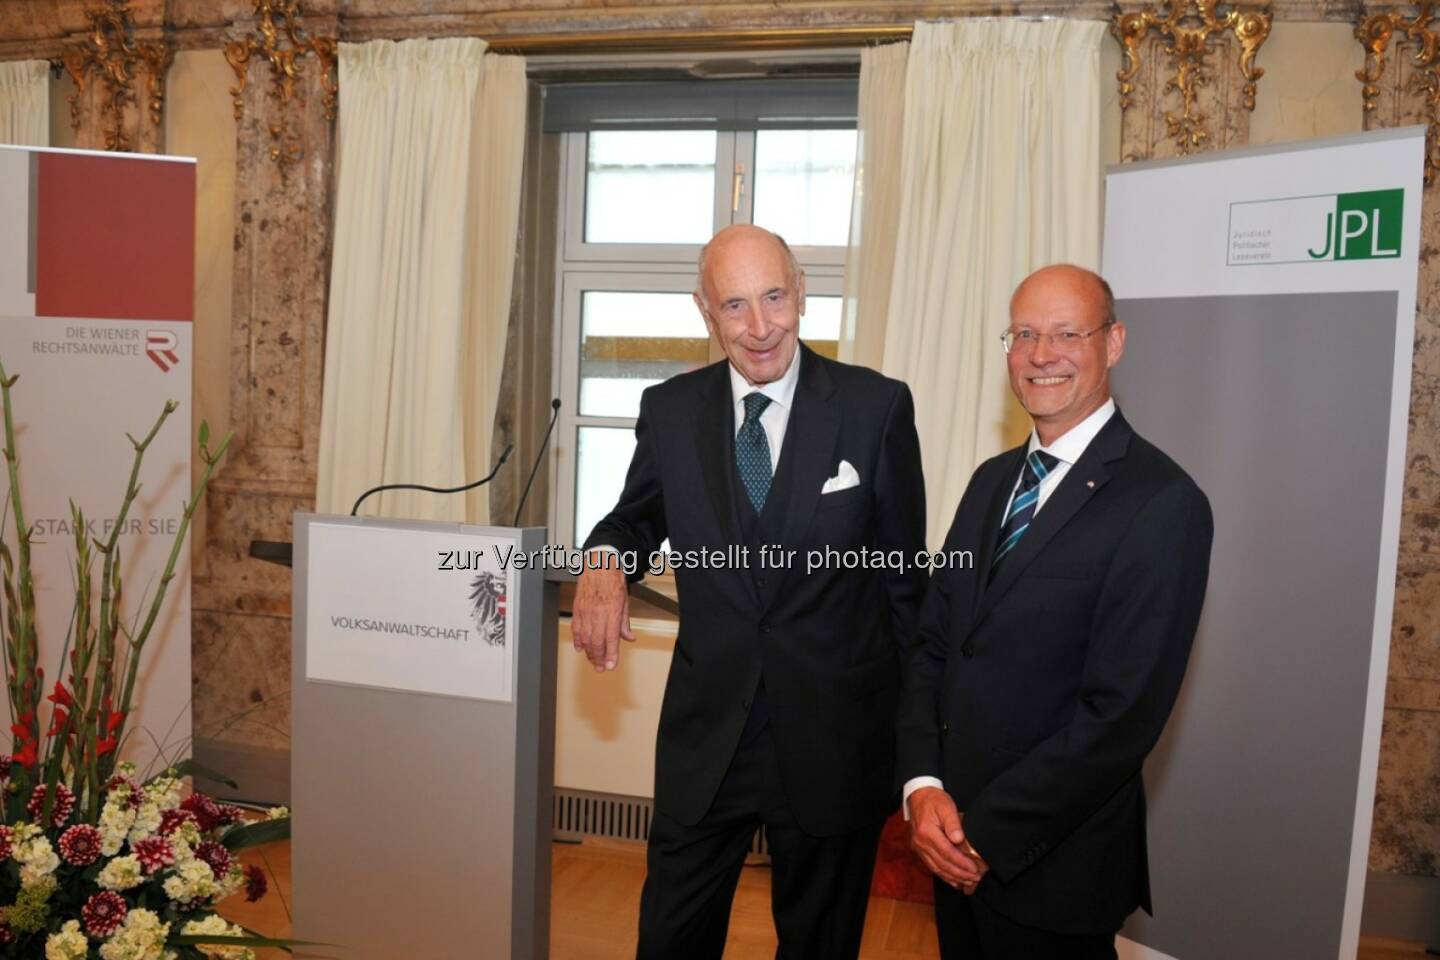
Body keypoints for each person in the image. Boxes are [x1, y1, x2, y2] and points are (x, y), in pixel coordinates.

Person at [572, 224, 928, 959]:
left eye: (773, 297)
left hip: (836, 741)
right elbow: (634, 518)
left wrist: (916, 744)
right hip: (709, 739)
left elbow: (905, 588)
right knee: (669, 940)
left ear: (801, 292)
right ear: (706, 311)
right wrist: (605, 557)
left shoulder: (876, 408)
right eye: (735, 305)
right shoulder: (670, 410)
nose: (759, 327)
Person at [896, 264, 1214, 959]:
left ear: (1115, 342)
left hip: (1054, 870)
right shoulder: (989, 483)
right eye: (1026, 334)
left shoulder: (1164, 504)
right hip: (950, 852)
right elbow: (933, 645)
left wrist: (984, 834)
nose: (1042, 355)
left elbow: (1120, 718)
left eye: (1068, 333)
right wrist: (923, 788)